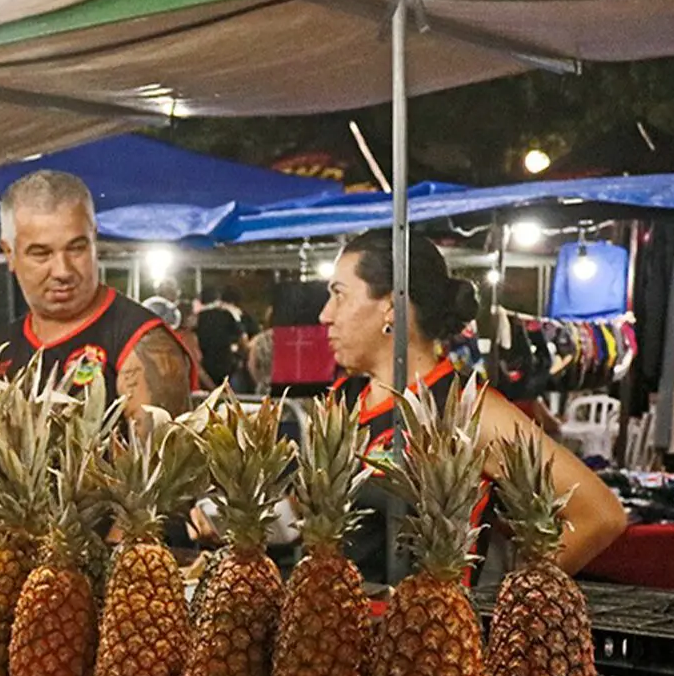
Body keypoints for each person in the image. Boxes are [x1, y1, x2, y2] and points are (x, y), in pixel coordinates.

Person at [321, 229, 626, 584]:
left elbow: (600, 515)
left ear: (391, 306)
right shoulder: (342, 401)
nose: (325, 315)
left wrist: (507, 599)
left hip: (428, 633)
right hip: (335, 628)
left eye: (339, 296)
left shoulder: (469, 410)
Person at [0, 170, 195, 417]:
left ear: (94, 240)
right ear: (9, 253)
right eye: (41, 253)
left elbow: (166, 454)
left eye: (76, 248)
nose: (63, 270)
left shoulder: (140, 344)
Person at [195, 286, 256, 393]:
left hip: (204, 374)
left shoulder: (196, 319)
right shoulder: (228, 315)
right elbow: (243, 342)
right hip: (227, 370)